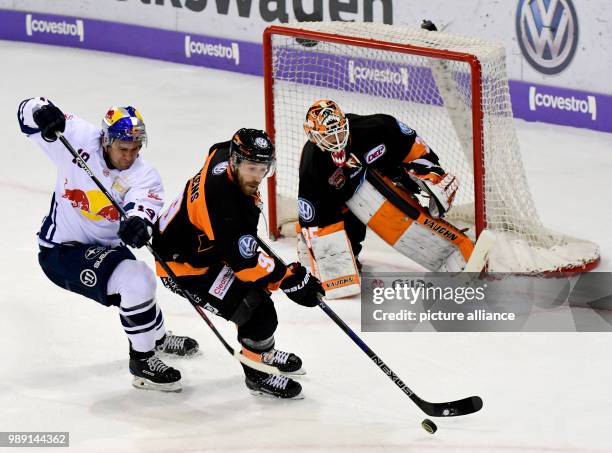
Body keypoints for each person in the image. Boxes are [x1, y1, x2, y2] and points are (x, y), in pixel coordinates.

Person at [18, 97, 199, 393]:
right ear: (106, 140)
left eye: (135, 149)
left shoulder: (145, 176)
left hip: (105, 247)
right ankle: (142, 362)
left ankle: (157, 337)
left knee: (139, 285)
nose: (129, 156)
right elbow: (25, 114)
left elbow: (143, 208)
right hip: (61, 250)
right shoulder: (75, 136)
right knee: (137, 280)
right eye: (123, 149)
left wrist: (139, 224)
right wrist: (40, 110)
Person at [152, 128, 324, 399]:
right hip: (183, 267)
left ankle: (262, 352)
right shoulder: (222, 205)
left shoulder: (223, 154)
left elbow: (214, 146)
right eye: (250, 168)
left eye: (262, 168)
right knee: (256, 309)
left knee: (258, 298)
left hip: (205, 246)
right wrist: (289, 279)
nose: (257, 177)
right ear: (234, 162)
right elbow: (245, 263)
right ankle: (257, 375)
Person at [297, 100, 462, 297]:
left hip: (384, 172)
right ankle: (327, 250)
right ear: (313, 137)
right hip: (340, 197)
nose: (337, 140)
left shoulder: (377, 128)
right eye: (329, 137)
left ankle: (420, 188)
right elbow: (313, 215)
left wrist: (433, 170)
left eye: (340, 132)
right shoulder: (312, 165)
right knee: (337, 228)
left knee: (417, 174)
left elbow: (410, 142)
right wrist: (324, 253)